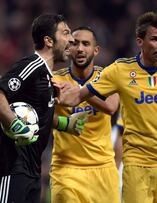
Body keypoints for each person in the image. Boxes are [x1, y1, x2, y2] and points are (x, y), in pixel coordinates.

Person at [56, 12, 157, 203]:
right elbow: (78, 96)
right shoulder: (120, 70)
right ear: (140, 41)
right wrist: (57, 95)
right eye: (155, 39)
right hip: (136, 165)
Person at [0, 14, 89, 203]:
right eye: (66, 33)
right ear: (48, 40)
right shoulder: (32, 65)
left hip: (31, 171)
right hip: (10, 168)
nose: (71, 39)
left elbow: (38, 115)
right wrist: (15, 125)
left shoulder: (48, 78)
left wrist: (65, 124)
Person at [51, 26, 120, 203]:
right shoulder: (54, 80)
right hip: (66, 168)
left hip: (103, 168)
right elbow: (41, 115)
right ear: (68, 48)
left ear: (96, 50)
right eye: (75, 44)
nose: (80, 48)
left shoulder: (108, 77)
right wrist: (62, 122)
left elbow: (111, 107)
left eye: (86, 44)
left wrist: (81, 92)